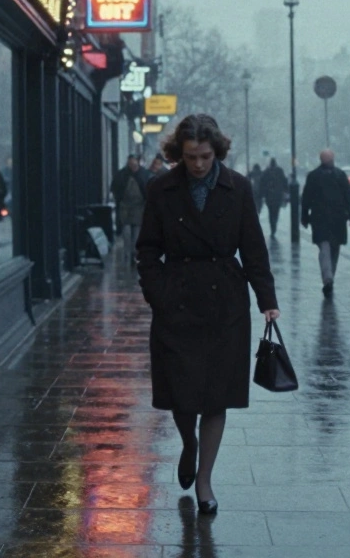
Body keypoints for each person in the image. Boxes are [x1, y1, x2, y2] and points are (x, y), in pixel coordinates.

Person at [136, 114, 279, 515]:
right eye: (190, 157)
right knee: (182, 393)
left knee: (217, 396)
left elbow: (253, 246)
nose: (198, 165)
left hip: (225, 304)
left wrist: (266, 298)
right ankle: (188, 443)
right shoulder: (161, 188)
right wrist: (157, 293)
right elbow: (147, 249)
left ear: (217, 151)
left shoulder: (238, 187)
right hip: (176, 301)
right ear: (177, 154)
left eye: (204, 156)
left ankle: (205, 481)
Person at [300, 149, 350, 297]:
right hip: (337, 219)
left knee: (324, 249)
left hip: (320, 219)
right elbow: (349, 196)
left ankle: (328, 278)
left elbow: (306, 198)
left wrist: (304, 217)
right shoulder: (340, 175)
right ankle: (330, 277)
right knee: (334, 250)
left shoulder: (313, 176)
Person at [110, 154, 152, 266]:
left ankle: (134, 253)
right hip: (125, 207)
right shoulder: (122, 175)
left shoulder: (144, 174)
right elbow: (115, 189)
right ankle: (128, 254)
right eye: (130, 164)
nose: (132, 166)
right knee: (127, 231)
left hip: (139, 207)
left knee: (137, 232)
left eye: (134, 164)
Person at [260, 157, 288, 237]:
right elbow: (284, 181)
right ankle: (274, 224)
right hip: (277, 195)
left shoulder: (266, 172)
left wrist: (262, 194)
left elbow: (262, 183)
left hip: (269, 196)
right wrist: (285, 190)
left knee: (271, 212)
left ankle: (273, 226)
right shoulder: (279, 171)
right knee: (276, 211)